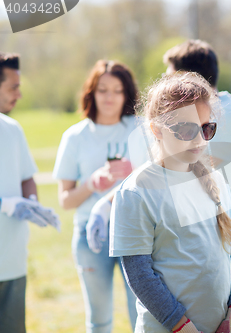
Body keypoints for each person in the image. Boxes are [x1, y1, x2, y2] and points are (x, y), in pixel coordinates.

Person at [109, 72, 231, 333]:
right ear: (156, 129)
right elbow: (140, 275)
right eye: (186, 129)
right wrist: (182, 326)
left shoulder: (216, 179)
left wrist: (230, 316)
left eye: (207, 128)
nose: (199, 140)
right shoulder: (137, 191)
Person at [163, 39, 231, 333]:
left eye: (170, 77)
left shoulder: (225, 116)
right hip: (225, 241)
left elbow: (181, 174)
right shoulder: (210, 114)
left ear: (188, 80)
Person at [53, 60, 140, 333]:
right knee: (99, 320)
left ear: (127, 94)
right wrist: (91, 183)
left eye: (117, 90)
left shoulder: (141, 129)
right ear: (91, 93)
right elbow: (65, 200)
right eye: (103, 90)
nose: (110, 97)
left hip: (136, 233)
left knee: (142, 315)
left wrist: (135, 171)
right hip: (91, 237)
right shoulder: (75, 136)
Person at [0, 52, 60, 333]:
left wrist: (32, 202)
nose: (19, 94)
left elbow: (26, 177)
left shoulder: (12, 129)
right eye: (13, 87)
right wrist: (3, 203)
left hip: (12, 262)